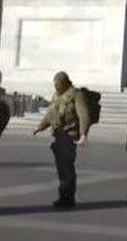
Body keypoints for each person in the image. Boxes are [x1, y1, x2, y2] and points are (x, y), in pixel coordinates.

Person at [32, 71, 92, 208]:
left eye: (58, 84)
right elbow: (50, 114)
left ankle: (68, 197)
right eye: (55, 84)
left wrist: (83, 134)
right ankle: (63, 195)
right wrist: (41, 126)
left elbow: (84, 115)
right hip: (58, 136)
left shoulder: (76, 95)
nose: (56, 86)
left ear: (64, 82)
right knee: (62, 168)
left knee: (67, 168)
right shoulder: (58, 96)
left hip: (69, 136)